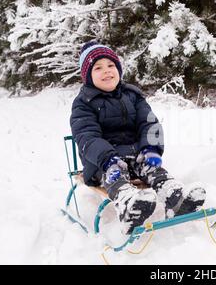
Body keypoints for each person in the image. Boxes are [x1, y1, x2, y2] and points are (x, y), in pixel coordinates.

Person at [70, 41, 206, 234]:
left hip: (136, 155)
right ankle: (128, 205)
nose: (106, 71)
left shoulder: (132, 95)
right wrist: (107, 158)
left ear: (118, 69)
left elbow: (149, 123)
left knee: (152, 167)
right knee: (114, 172)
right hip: (103, 162)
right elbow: (87, 137)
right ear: (88, 76)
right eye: (98, 68)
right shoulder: (84, 103)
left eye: (111, 65)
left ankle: (175, 198)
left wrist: (151, 148)